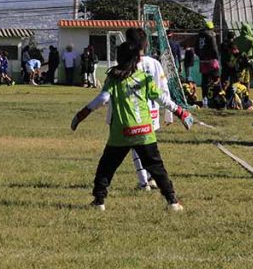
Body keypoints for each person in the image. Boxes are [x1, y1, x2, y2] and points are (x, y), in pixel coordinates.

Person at [70, 41, 194, 211]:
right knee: (157, 168)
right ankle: (172, 202)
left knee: (106, 167)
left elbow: (103, 99)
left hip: (122, 132)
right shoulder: (144, 77)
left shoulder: (113, 77)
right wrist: (180, 112)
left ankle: (99, 201)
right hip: (144, 130)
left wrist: (81, 115)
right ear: (136, 60)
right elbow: (162, 98)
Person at [125, 28, 174, 190]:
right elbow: (163, 88)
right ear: (145, 44)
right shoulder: (155, 63)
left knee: (136, 146)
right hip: (153, 111)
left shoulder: (129, 63)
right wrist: (168, 112)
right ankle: (152, 178)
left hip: (134, 112)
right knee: (149, 146)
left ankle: (143, 181)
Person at [195, 21, 220, 102]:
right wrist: (217, 57)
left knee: (205, 80)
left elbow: (196, 49)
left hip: (203, 61)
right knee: (216, 78)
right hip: (211, 60)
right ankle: (215, 97)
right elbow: (214, 48)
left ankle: (204, 97)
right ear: (211, 28)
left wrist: (201, 56)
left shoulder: (199, 35)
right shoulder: (211, 35)